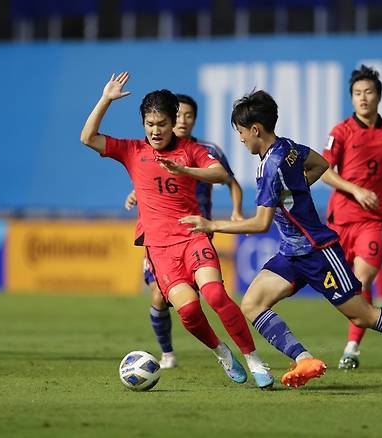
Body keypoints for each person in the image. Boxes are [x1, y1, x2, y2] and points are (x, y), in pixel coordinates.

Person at [180, 90, 382, 388]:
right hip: (292, 252)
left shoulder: (269, 169)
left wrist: (210, 224)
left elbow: (260, 223)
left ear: (255, 129)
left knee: (363, 316)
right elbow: (321, 164)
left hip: (318, 250)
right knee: (253, 303)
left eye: (242, 132)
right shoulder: (289, 147)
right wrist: (295, 190)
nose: (242, 139)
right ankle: (303, 359)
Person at [81, 72, 273, 388]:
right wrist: (105, 99)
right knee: (189, 311)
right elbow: (88, 137)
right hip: (159, 248)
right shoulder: (131, 150)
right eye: (150, 124)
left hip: (192, 236)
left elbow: (219, 174)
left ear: (174, 123)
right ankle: (222, 352)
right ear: (144, 123)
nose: (156, 131)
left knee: (215, 295)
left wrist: (184, 170)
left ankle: (254, 359)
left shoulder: (190, 151)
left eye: (162, 124)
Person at [124, 93, 244, 369]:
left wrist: (237, 211)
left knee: (203, 295)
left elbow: (230, 182)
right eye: (179, 116)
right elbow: (151, 179)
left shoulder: (203, 150)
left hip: (196, 231)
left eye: (189, 116)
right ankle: (167, 353)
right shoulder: (153, 149)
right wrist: (135, 194)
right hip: (160, 236)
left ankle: (230, 350)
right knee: (158, 295)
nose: (183, 121)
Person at [321, 65, 382, 370]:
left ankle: (351, 348)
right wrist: (355, 189)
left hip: (373, 220)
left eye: (368, 93)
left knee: (362, 280)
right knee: (339, 285)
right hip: (340, 220)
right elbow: (324, 171)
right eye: (357, 93)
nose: (363, 98)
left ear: (378, 96)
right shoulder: (340, 132)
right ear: (351, 98)